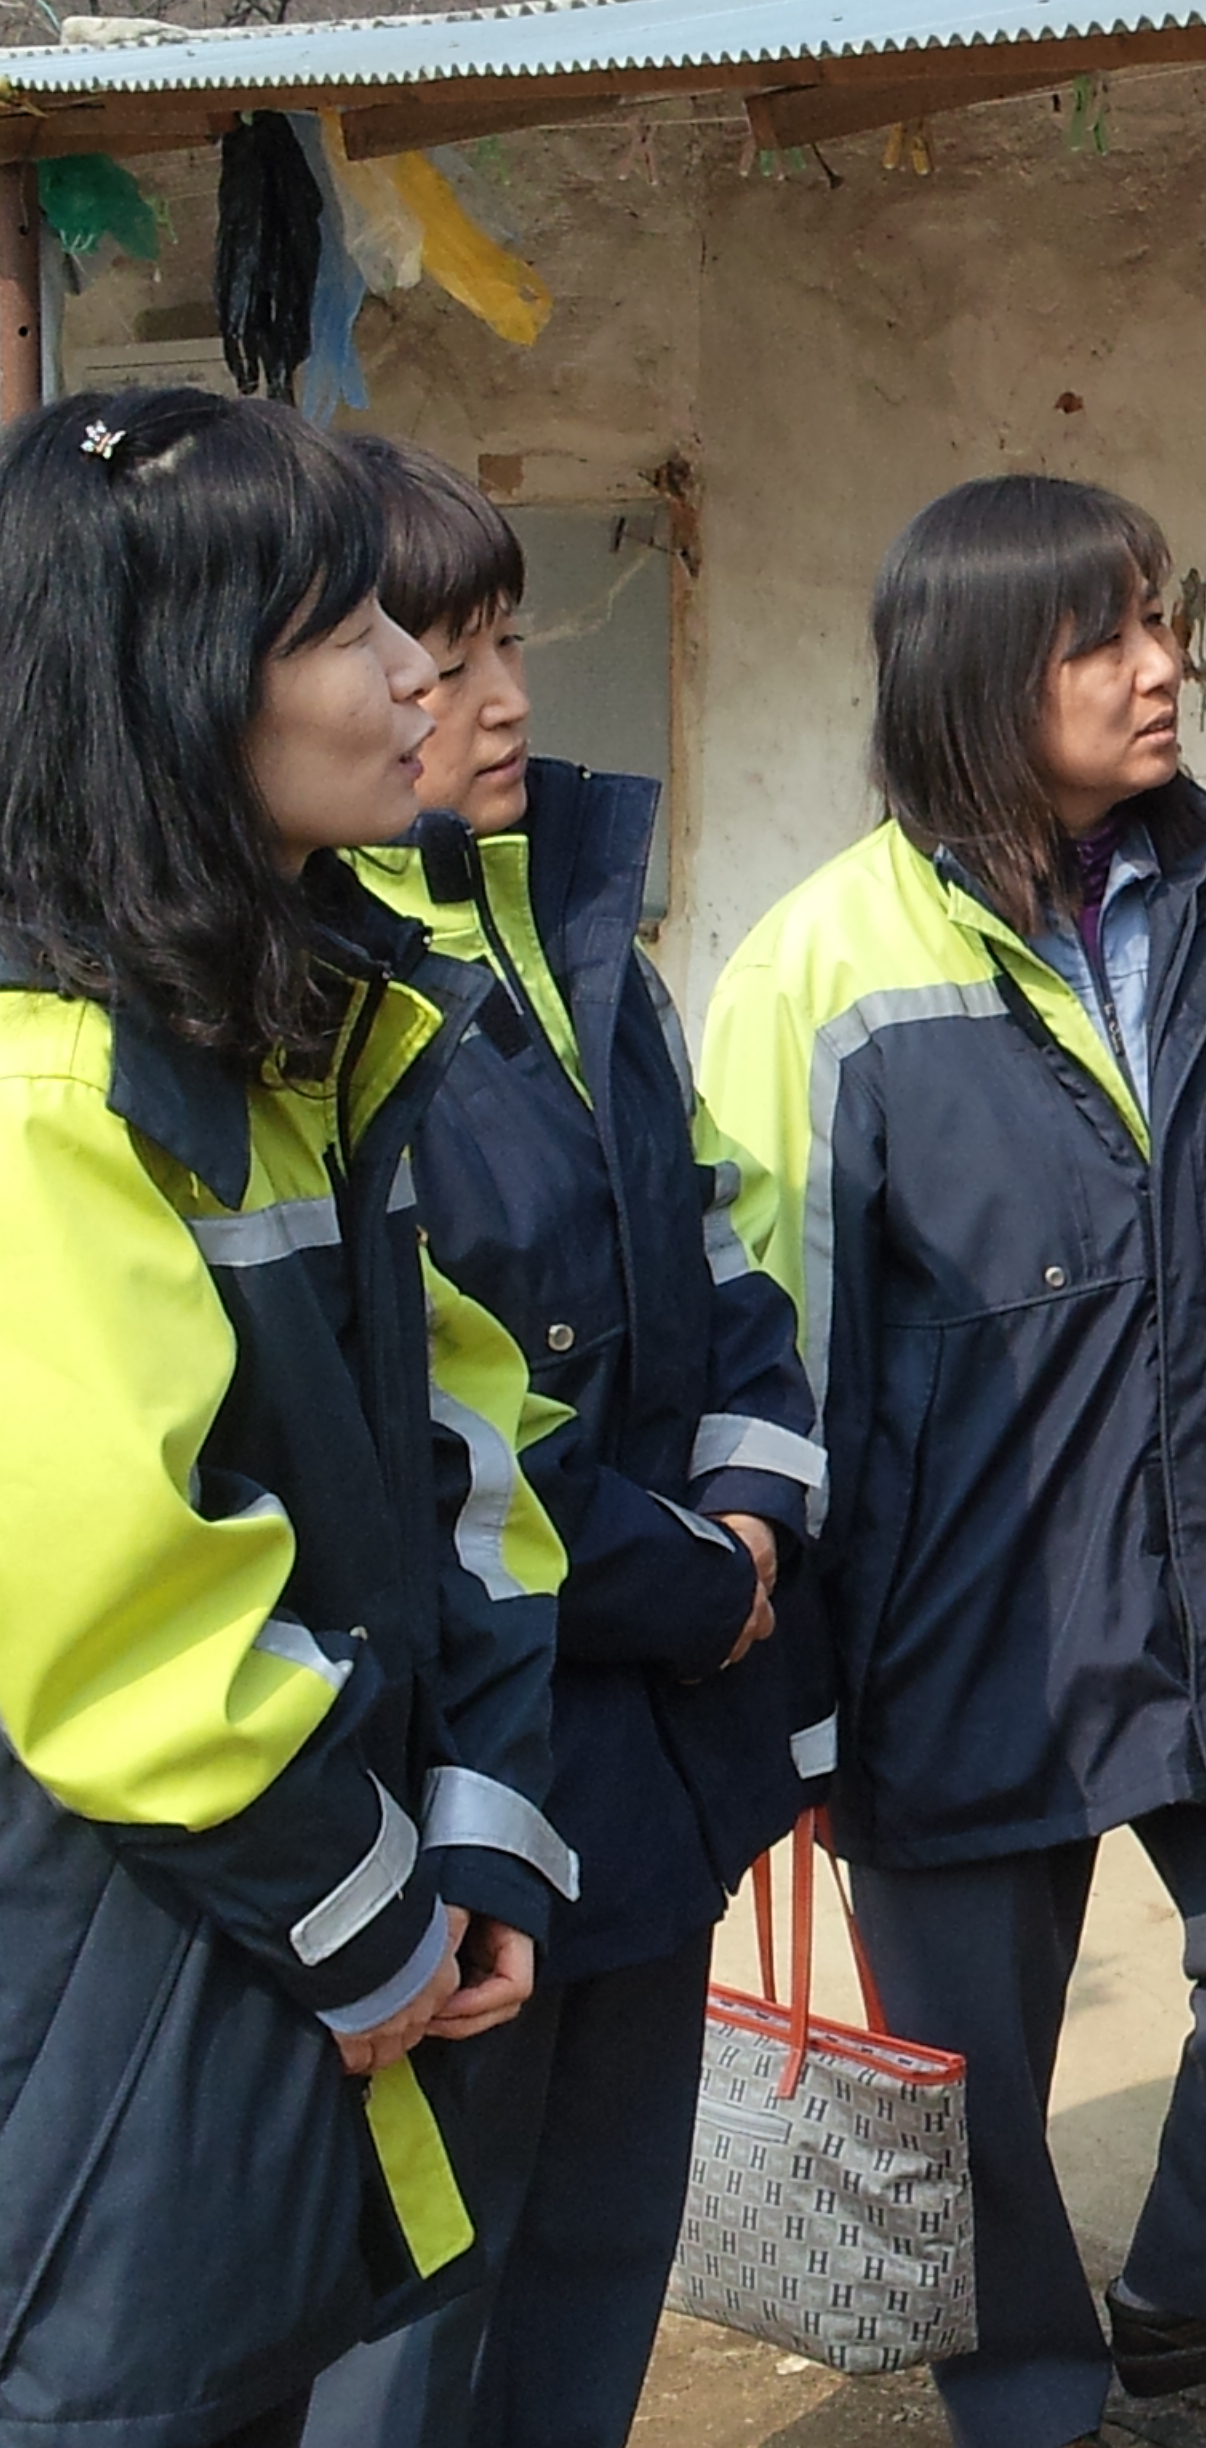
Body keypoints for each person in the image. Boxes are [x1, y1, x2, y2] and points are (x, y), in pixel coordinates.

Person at [700, 474, 1206, 2448]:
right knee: (971, 2077)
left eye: (1161, 619)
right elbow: (763, 1355)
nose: (1161, 666)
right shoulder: (822, 970)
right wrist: (784, 1694)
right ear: (973, 680)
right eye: (1102, 637)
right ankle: (1037, 2399)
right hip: (954, 1631)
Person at [0, 390, 571, 2447]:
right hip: (120, 2000)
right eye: (351, 630)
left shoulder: (295, 1026)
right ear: (174, 685)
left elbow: (468, 1441)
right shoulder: (55, 1085)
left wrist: (478, 1813)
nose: (423, 676)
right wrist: (370, 1917)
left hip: (261, 1966)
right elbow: (125, 1628)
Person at [302, 438, 830, 2448]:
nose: (502, 701)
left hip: (655, 1743)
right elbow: (437, 1427)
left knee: (602, 2247)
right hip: (473, 1747)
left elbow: (724, 1259)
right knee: (426, 2306)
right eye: (441, 663)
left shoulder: (591, 948)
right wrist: (690, 1580)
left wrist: (755, 1501)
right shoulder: (315, 998)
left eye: (508, 644)